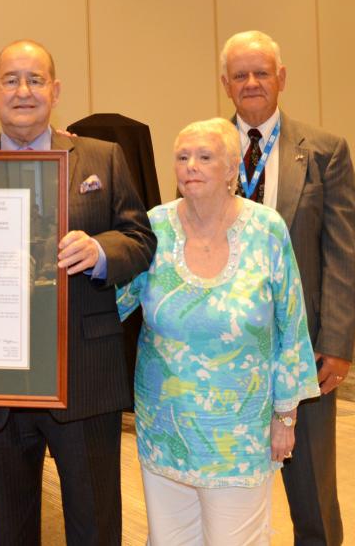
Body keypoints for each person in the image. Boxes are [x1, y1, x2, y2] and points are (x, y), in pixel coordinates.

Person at [0, 40, 155, 545]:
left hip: (85, 373)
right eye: (11, 80)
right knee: (9, 527)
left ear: (55, 90)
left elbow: (141, 240)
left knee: (94, 525)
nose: (23, 91)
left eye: (35, 79)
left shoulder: (102, 157)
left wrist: (99, 251)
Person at [117, 117, 321, 545]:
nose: (190, 165)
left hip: (239, 436)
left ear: (231, 169)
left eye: (204, 157)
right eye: (182, 156)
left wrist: (286, 415)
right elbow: (112, 303)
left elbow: (291, 323)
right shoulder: (153, 227)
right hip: (164, 432)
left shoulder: (267, 229)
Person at [220, 30, 355, 546]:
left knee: (312, 496)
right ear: (225, 84)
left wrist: (338, 345)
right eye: (241, 75)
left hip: (305, 356)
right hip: (228, 356)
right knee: (231, 493)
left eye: (262, 73)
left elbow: (343, 253)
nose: (252, 83)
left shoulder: (325, 151)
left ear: (281, 79)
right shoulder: (204, 151)